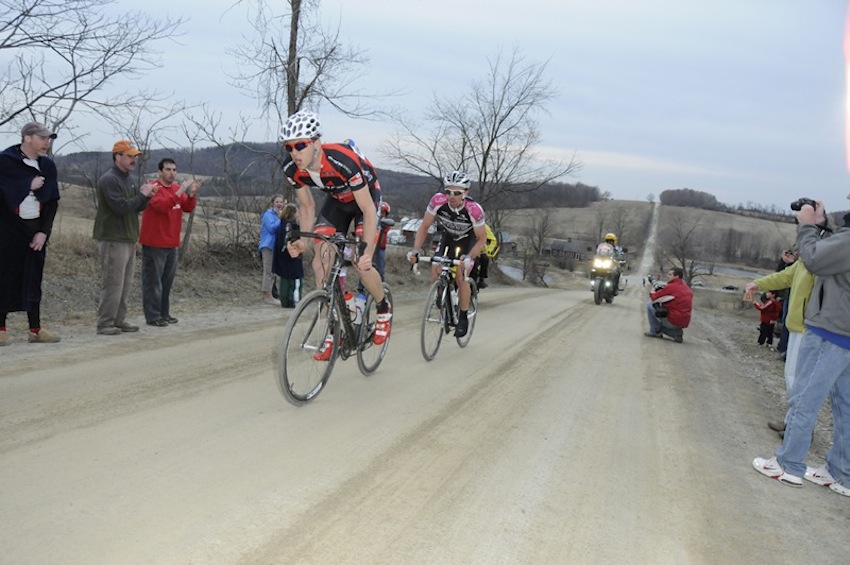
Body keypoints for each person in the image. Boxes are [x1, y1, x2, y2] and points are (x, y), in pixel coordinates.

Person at [753, 196, 850, 496]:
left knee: (804, 399)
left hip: (830, 330)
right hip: (844, 333)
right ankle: (841, 472)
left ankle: (788, 464)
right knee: (845, 406)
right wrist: (825, 225)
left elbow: (815, 259)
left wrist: (807, 227)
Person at [280, 110, 392, 360]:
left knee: (361, 264)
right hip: (337, 203)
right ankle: (334, 331)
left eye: (300, 145)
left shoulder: (343, 161)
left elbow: (368, 210)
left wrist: (368, 250)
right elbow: (307, 207)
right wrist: (304, 242)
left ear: (316, 143)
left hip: (365, 201)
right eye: (289, 147)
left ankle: (384, 308)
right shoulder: (292, 168)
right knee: (319, 261)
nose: (294, 153)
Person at [0, 122, 62, 345]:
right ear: (27, 138)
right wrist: (27, 184)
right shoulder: (6, 161)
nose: (47, 142)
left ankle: (35, 329)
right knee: (5, 276)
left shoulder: (47, 166)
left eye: (48, 138)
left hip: (35, 229)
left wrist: (43, 232)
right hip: (8, 228)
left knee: (34, 277)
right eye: (42, 138)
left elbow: (52, 201)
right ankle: (1, 328)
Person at [407, 171, 486, 338]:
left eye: (457, 193)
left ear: (466, 193)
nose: (451, 196)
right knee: (436, 268)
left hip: (468, 241)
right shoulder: (437, 201)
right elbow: (424, 227)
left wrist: (468, 257)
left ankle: (463, 315)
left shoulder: (474, 210)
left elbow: (481, 240)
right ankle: (442, 293)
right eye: (448, 191)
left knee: (460, 274)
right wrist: (416, 250)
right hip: (447, 238)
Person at [744, 256, 816, 437]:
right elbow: (783, 277)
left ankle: (800, 427)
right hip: (796, 327)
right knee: (792, 377)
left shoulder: (821, 259)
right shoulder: (804, 261)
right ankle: (791, 421)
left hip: (809, 329)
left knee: (800, 380)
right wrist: (757, 284)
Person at [93, 140, 157, 335]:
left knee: (125, 283)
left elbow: (135, 206)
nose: (133, 160)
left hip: (128, 237)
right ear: (117, 156)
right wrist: (142, 195)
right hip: (113, 237)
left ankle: (118, 320)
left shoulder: (128, 178)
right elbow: (120, 207)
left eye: (134, 156)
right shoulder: (109, 179)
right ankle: (105, 322)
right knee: (113, 281)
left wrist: (146, 197)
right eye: (129, 156)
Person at [139, 158, 201, 327]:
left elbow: (187, 207)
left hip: (171, 243)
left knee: (166, 282)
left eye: (174, 169)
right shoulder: (153, 188)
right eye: (167, 169)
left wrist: (192, 194)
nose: (172, 173)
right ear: (160, 172)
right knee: (153, 282)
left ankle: (164, 313)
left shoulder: (175, 189)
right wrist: (180, 191)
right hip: (154, 242)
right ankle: (152, 315)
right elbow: (162, 206)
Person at [643, 267, 693, 343]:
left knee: (651, 305)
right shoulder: (686, 288)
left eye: (670, 274)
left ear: (676, 276)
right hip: (684, 320)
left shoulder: (672, 287)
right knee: (664, 309)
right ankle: (677, 333)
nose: (667, 276)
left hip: (674, 320)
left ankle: (655, 332)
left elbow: (654, 298)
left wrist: (653, 290)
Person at [272, 202, 304, 308]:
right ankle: (292, 301)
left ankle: (284, 300)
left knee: (284, 279)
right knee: (293, 279)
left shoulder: (281, 225)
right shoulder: (293, 227)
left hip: (281, 256)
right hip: (292, 256)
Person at [259, 194, 285, 305]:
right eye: (277, 202)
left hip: (275, 246)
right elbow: (272, 229)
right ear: (273, 203)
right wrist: (281, 218)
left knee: (273, 272)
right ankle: (267, 296)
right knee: (268, 271)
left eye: (281, 202)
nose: (279, 204)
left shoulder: (278, 215)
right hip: (268, 245)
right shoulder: (268, 215)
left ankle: (272, 294)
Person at [471, 223, 500, 289]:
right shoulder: (463, 225)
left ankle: (481, 279)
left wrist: (488, 250)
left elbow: (493, 240)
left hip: (480, 251)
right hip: (466, 250)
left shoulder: (484, 227)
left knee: (484, 258)